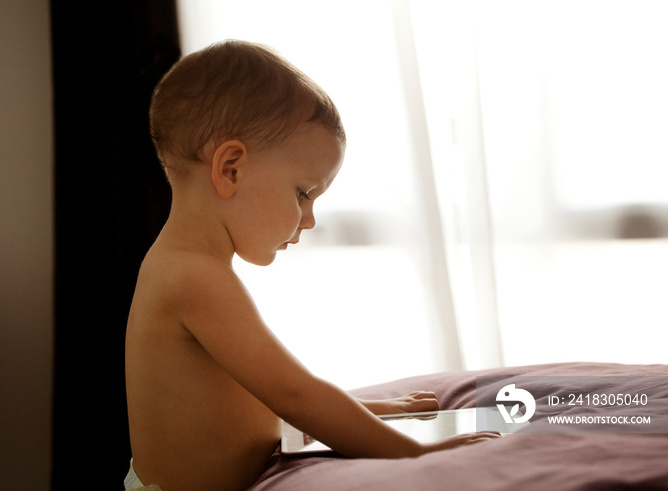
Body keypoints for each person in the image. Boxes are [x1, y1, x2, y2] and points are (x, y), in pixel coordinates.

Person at [125, 39, 500, 491]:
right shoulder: (192, 276)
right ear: (230, 170)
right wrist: (417, 456)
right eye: (304, 192)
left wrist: (376, 411)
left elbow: (262, 399)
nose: (310, 219)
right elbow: (295, 394)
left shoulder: (190, 267)